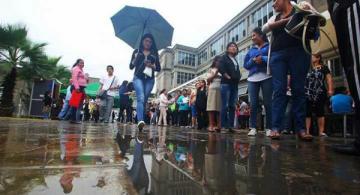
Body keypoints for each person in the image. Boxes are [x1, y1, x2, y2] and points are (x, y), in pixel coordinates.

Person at [262, 0, 311, 140]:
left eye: (275, 0)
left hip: (299, 51)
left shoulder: (300, 8)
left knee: (299, 89)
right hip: (278, 54)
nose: (273, 4)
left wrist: (304, 10)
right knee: (279, 90)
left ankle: (301, 129)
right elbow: (266, 28)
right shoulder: (274, 17)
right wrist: (288, 20)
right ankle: (276, 127)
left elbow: (315, 16)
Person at [244, 27, 272, 137]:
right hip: (252, 79)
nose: (252, 38)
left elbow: (273, 58)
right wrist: (253, 60)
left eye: (254, 35)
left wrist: (263, 59)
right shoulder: (251, 50)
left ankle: (269, 127)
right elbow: (246, 65)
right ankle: (253, 127)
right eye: (252, 36)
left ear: (261, 35)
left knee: (268, 103)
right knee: (254, 104)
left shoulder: (269, 46)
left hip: (267, 76)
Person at [129, 33, 161, 131]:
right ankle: (140, 121)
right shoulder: (137, 51)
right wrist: (135, 58)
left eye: (150, 42)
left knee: (144, 100)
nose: (148, 43)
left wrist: (151, 66)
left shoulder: (154, 53)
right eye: (146, 41)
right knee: (141, 98)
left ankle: (140, 120)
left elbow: (159, 68)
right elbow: (131, 66)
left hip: (150, 80)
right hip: (138, 77)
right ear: (142, 41)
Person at [305, 54, 334, 137]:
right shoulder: (308, 68)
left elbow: (329, 78)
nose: (311, 58)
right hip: (308, 92)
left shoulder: (324, 68)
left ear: (318, 58)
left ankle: (321, 132)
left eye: (313, 56)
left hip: (320, 92)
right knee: (307, 112)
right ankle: (306, 132)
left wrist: (330, 89)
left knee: (320, 111)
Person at [219, 42, 241, 133]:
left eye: (235, 46)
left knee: (232, 105)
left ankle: (231, 126)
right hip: (226, 84)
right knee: (225, 105)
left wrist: (239, 76)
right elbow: (221, 68)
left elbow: (237, 71)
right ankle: (223, 126)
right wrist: (227, 76)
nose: (233, 47)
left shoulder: (235, 60)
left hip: (234, 84)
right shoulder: (224, 57)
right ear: (227, 48)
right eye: (231, 46)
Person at [68, 59, 88, 124]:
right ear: (77, 63)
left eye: (83, 63)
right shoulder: (76, 69)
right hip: (77, 87)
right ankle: (73, 119)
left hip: (81, 88)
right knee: (74, 104)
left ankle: (74, 119)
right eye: (81, 63)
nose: (83, 64)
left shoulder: (81, 70)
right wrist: (77, 87)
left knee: (77, 104)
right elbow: (74, 78)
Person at [206, 56, 222, 132]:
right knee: (211, 108)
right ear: (214, 61)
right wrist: (215, 75)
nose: (218, 62)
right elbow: (208, 80)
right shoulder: (210, 70)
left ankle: (219, 125)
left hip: (220, 90)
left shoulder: (223, 70)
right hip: (212, 89)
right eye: (217, 60)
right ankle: (211, 125)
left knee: (219, 108)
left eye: (220, 61)